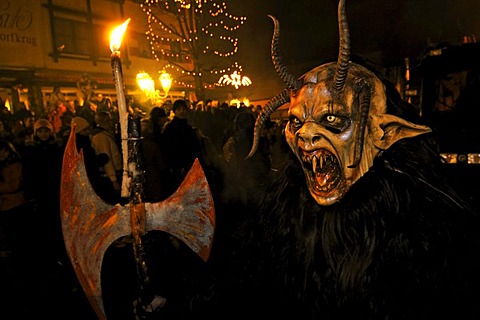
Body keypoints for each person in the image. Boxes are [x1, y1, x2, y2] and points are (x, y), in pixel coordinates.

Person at [160, 99, 202, 194]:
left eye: (184, 109)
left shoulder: (189, 128)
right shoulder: (171, 128)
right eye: (179, 109)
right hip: (176, 165)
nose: (182, 111)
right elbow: (167, 147)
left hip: (188, 164)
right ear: (174, 111)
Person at [91, 111, 123, 204]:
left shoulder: (105, 135)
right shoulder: (101, 137)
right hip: (110, 176)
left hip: (114, 173)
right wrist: (113, 179)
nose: (111, 123)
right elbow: (106, 157)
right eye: (109, 120)